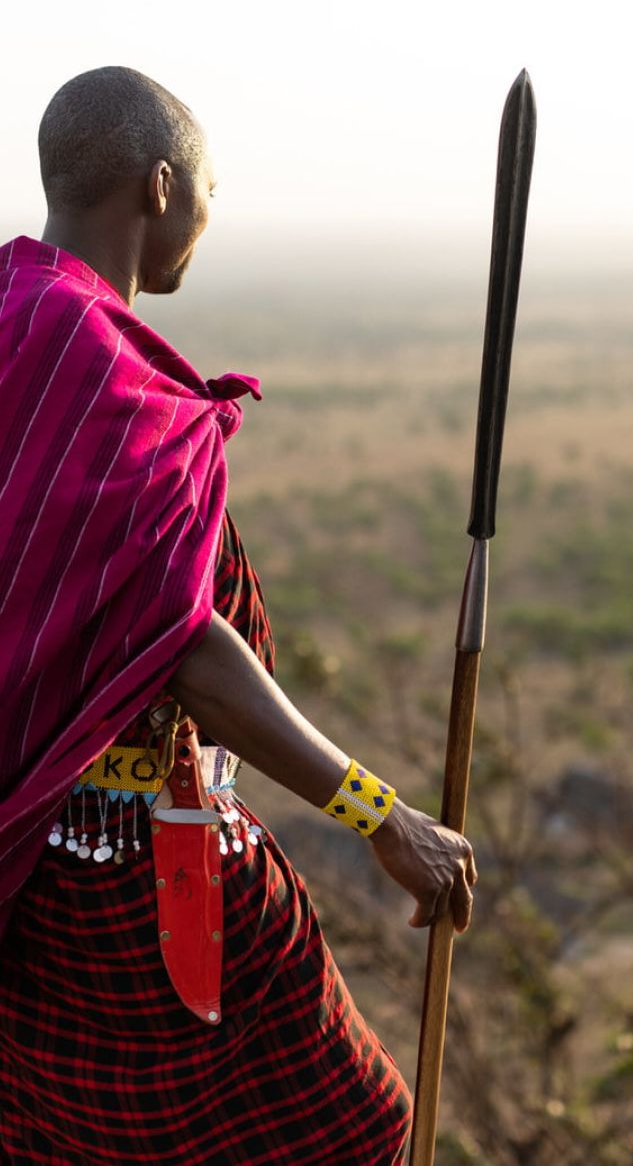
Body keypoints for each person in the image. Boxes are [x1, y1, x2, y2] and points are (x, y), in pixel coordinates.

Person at [0, 66, 476, 1166]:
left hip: (21, 887)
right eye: (210, 189)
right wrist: (382, 818)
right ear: (162, 187)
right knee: (355, 1128)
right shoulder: (91, 360)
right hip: (123, 889)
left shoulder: (17, 320)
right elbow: (179, 641)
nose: (208, 216)